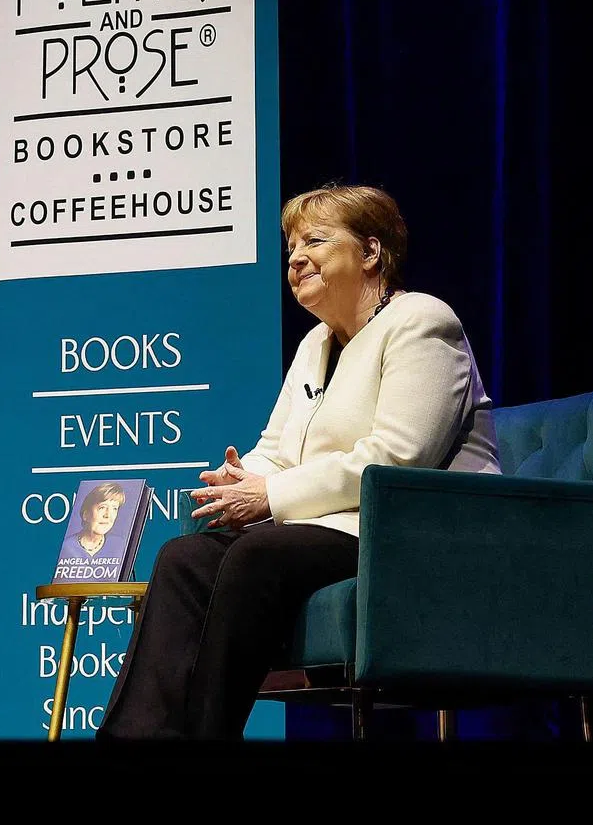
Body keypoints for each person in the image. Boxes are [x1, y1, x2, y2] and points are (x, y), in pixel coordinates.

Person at [96, 183, 500, 741]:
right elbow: (279, 449)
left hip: (411, 533)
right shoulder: (316, 343)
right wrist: (241, 480)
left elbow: (397, 459)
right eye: (290, 247)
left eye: (314, 240)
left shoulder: (422, 323)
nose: (296, 258)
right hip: (329, 525)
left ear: (370, 252)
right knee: (184, 557)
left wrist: (268, 496)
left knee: (258, 553)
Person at [58, 481, 128, 562]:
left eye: (114, 508)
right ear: (86, 515)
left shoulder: (120, 546)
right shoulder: (66, 546)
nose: (108, 515)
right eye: (102, 507)